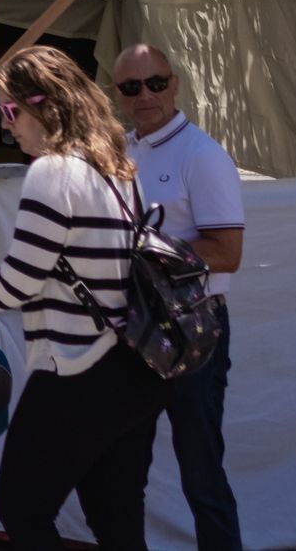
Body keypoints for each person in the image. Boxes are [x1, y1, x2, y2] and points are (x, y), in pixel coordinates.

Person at [0, 46, 166, 551]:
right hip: (133, 371)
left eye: (11, 111)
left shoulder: (53, 172)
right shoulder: (119, 172)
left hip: (77, 373)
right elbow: (70, 273)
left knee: (21, 509)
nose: (8, 126)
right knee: (117, 524)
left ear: (46, 106)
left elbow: (18, 282)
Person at [112, 43, 244, 551]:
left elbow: (227, 252)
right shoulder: (122, 150)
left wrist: (144, 248)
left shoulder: (203, 156)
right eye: (131, 87)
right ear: (119, 95)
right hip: (135, 326)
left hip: (194, 330)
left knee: (200, 473)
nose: (146, 95)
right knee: (124, 470)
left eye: (156, 82)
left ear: (176, 84)